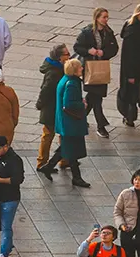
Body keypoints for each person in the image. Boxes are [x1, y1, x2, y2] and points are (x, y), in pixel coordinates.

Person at [74, 8, 120, 137]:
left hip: (101, 68)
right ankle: (101, 125)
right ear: (97, 18)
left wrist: (104, 53)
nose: (106, 19)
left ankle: (80, 118)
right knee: (97, 97)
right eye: (104, 17)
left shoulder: (108, 32)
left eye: (107, 17)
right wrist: (89, 51)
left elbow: (114, 48)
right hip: (90, 68)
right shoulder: (87, 32)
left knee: (93, 96)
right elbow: (77, 47)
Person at [51, 59, 92, 187]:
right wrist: (82, 104)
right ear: (74, 70)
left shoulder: (65, 79)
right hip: (70, 122)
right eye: (80, 68)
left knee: (66, 147)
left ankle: (48, 167)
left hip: (65, 121)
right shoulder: (72, 83)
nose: (82, 69)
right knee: (72, 150)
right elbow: (69, 104)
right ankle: (77, 177)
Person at [33, 45, 69, 173]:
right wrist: (40, 104)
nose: (69, 56)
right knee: (48, 134)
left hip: (58, 108)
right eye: (66, 54)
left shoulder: (60, 69)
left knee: (62, 134)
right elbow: (46, 91)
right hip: (51, 109)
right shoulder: (54, 73)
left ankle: (64, 159)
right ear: (60, 58)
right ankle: (42, 162)